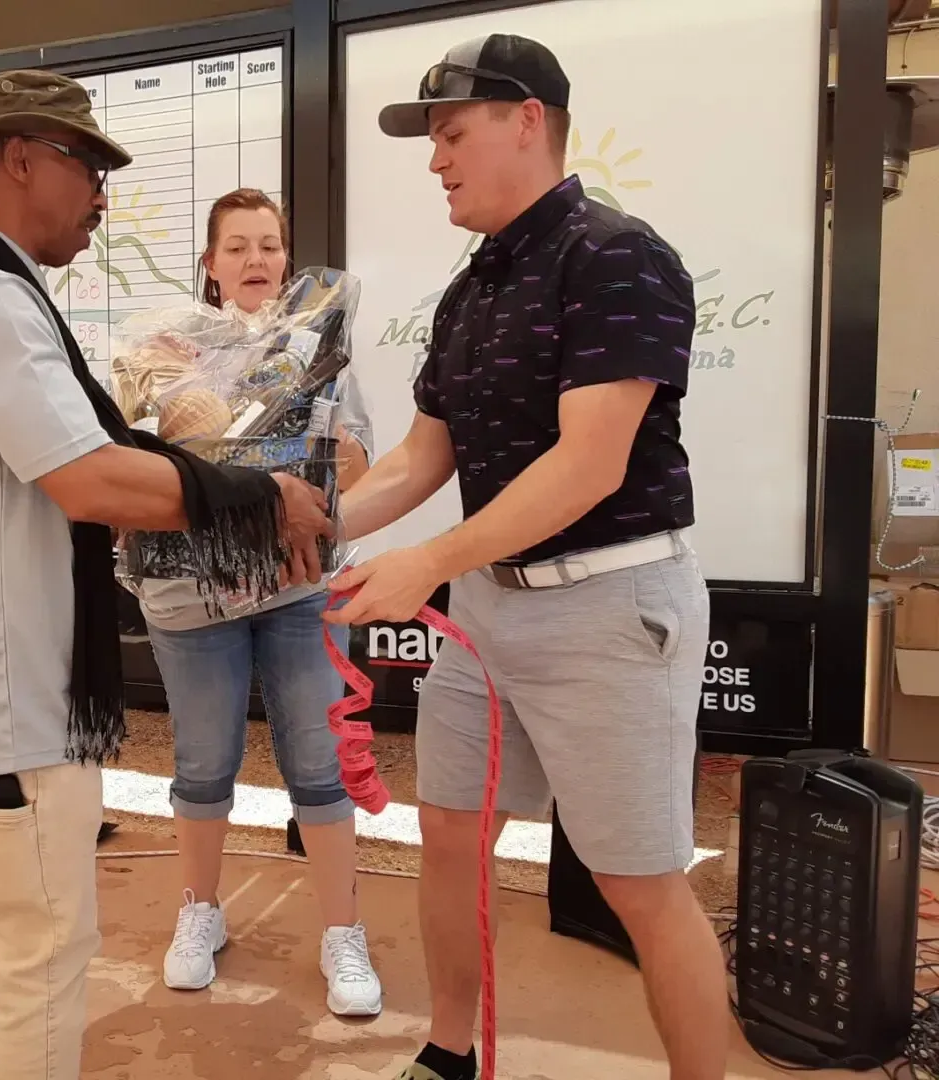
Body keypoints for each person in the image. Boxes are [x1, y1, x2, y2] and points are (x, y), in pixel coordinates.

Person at [0, 70, 333, 1080]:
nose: (101, 194)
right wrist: (262, 498)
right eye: (88, 164)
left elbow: (95, 455)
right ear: (18, 157)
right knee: (44, 944)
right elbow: (89, 478)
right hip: (12, 689)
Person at [326, 34, 729, 1080]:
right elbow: (421, 458)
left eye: (452, 134)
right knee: (451, 838)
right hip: (488, 612)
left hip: (609, 607)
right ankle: (448, 1053)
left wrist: (427, 561)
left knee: (638, 882)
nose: (435, 161)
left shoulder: (617, 256)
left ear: (527, 121)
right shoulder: (470, 289)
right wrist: (310, 533)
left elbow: (590, 465)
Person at [116, 188, 383, 1016]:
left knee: (319, 763)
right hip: (190, 597)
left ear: (287, 259)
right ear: (210, 265)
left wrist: (324, 433)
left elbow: (362, 471)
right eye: (236, 247)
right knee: (203, 763)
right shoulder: (162, 354)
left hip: (298, 587)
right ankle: (199, 911)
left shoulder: (319, 348)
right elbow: (136, 467)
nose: (255, 260)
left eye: (269, 244)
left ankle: (342, 930)